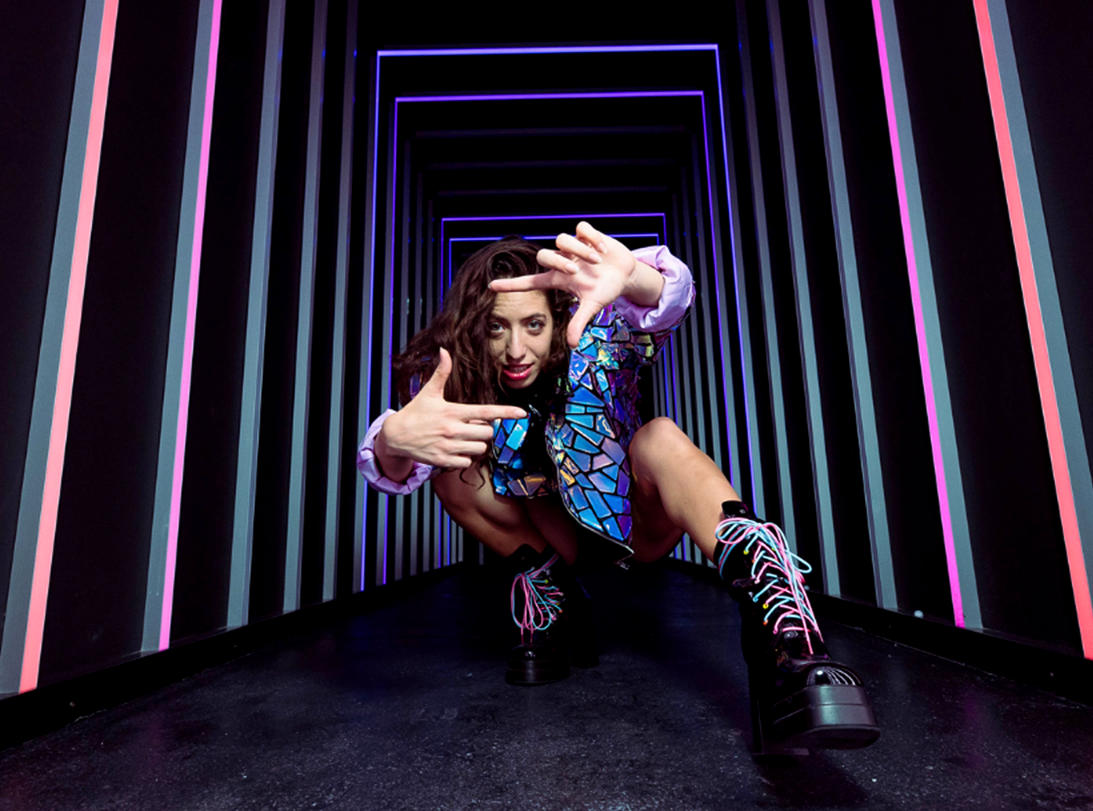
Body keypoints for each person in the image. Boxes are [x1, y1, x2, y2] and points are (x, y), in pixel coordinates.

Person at [357, 222, 877, 752]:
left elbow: (668, 302)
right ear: (476, 331)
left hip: (634, 524)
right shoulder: (464, 380)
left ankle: (786, 638)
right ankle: (554, 600)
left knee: (660, 436)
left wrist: (634, 279)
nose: (516, 349)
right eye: (496, 329)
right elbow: (398, 468)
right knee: (452, 474)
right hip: (552, 534)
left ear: (557, 316)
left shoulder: (602, 339)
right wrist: (392, 440)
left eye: (534, 324)